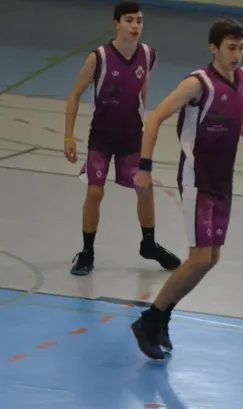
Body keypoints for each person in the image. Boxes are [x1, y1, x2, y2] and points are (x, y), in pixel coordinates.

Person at [129, 19, 243, 359]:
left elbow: (236, 116)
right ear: (214, 49)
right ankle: (150, 319)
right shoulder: (197, 84)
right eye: (230, 48)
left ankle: (161, 316)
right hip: (196, 180)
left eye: (240, 48)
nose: (236, 55)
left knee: (210, 259)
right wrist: (144, 167)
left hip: (223, 180)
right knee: (199, 257)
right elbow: (154, 118)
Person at [64, 1, 180, 276]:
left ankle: (149, 244)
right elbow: (74, 95)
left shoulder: (149, 55)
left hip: (131, 138)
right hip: (102, 138)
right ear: (116, 24)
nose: (135, 25)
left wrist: (144, 124)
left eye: (139, 20)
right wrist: (68, 136)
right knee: (95, 192)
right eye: (129, 20)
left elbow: (143, 90)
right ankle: (87, 252)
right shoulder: (99, 58)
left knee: (145, 189)